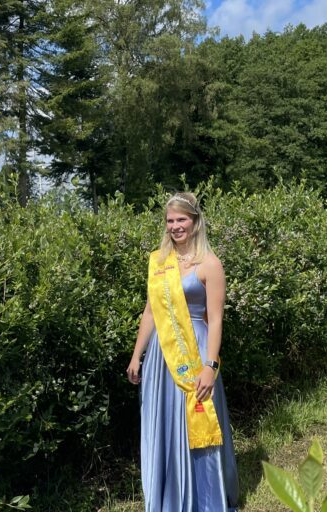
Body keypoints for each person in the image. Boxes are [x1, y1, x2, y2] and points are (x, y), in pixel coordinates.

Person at [126, 192, 240, 511]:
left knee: (197, 420)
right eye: (170, 220)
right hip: (162, 355)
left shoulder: (210, 264)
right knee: (165, 422)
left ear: (195, 222)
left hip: (196, 352)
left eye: (181, 219)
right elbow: (151, 311)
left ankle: (204, 498)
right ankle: (170, 496)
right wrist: (137, 355)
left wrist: (210, 365)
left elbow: (215, 319)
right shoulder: (159, 262)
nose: (175, 226)